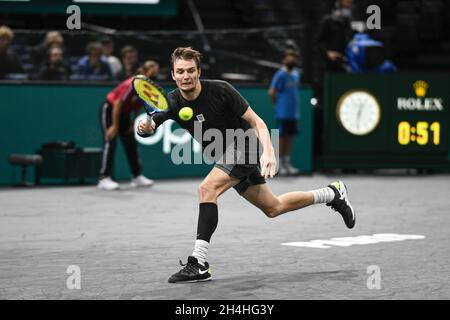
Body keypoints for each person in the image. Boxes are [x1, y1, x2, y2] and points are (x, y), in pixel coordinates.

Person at [138, 47, 356, 283]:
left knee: (206, 189)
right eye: (180, 71)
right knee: (273, 207)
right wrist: (146, 126)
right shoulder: (171, 101)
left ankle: (198, 262)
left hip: (244, 147)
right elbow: (152, 124)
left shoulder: (221, 90)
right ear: (173, 75)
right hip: (223, 155)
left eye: (191, 70)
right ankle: (332, 193)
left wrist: (269, 151)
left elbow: (256, 120)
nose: (186, 76)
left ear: (199, 71)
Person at [97, 60, 157, 190]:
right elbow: (118, 103)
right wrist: (114, 125)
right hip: (110, 109)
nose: (154, 69)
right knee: (110, 141)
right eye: (150, 68)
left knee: (131, 143)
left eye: (155, 68)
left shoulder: (147, 88)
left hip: (124, 114)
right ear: (142, 71)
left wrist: (132, 122)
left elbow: (137, 106)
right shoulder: (132, 83)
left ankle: (136, 177)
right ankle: (104, 178)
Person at [268, 49, 301, 176]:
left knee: (290, 137)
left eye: (293, 57)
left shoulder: (297, 74)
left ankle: (287, 163)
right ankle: (279, 165)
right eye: (289, 57)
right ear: (283, 60)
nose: (291, 59)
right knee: (281, 138)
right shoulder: (280, 74)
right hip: (282, 113)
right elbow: (272, 92)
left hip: (294, 113)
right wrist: (277, 105)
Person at [316, 0, 354, 73]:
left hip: (347, 64)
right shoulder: (328, 20)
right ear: (339, 3)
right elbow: (318, 42)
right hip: (330, 65)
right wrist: (328, 53)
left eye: (351, 3)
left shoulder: (350, 22)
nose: (349, 5)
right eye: (347, 2)